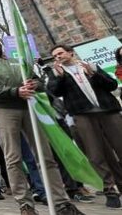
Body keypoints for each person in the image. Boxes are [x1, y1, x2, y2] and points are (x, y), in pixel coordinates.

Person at [0, 35, 83, 215]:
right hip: (3, 110)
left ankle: (61, 203)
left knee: (45, 156)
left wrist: (34, 84)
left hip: (30, 108)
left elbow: (38, 81)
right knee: (13, 158)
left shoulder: (18, 61)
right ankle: (26, 205)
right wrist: (14, 91)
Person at [47, 44, 122, 209]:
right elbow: (54, 92)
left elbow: (112, 85)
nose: (57, 57)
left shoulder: (90, 66)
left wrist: (93, 74)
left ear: (70, 52)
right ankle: (110, 191)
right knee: (96, 154)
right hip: (82, 115)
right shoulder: (56, 73)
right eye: (54, 56)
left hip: (108, 110)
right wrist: (59, 78)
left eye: (60, 53)